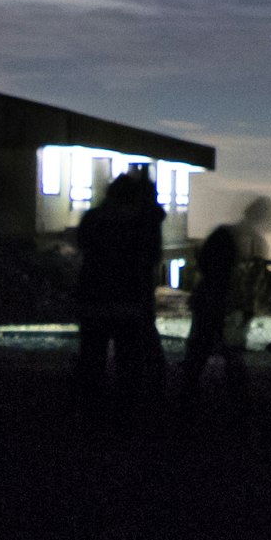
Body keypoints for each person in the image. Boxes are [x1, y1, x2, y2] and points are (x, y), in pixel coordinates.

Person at [72, 167, 168, 415]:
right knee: (128, 363)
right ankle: (126, 413)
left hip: (94, 300)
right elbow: (151, 257)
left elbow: (83, 246)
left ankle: (90, 411)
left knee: (92, 360)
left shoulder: (93, 218)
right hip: (129, 302)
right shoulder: (140, 225)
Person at [177, 200, 271, 413]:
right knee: (232, 352)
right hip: (234, 303)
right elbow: (255, 279)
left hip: (210, 298)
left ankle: (188, 394)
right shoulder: (256, 242)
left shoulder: (224, 233)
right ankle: (237, 399)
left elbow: (204, 262)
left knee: (199, 348)